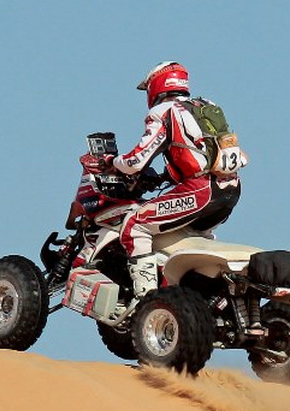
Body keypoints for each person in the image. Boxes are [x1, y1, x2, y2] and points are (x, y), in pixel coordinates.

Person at [102, 61, 245, 305]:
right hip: (230, 189)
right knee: (193, 242)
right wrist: (165, 176)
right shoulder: (205, 106)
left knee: (134, 225)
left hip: (200, 190)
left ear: (156, 85)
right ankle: (206, 297)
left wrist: (112, 161)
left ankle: (147, 300)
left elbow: (136, 161)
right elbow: (203, 151)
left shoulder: (163, 111)